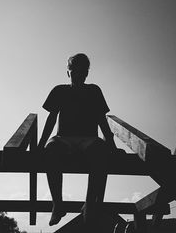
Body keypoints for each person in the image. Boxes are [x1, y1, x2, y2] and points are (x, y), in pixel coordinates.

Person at [38, 53, 118, 226]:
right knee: (50, 151)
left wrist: (111, 146)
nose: (78, 75)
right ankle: (57, 204)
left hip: (89, 140)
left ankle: (89, 204)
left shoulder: (94, 90)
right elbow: (51, 118)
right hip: (63, 139)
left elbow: (101, 119)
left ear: (87, 73)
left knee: (100, 151)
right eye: (74, 71)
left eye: (82, 71)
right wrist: (41, 144)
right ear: (69, 72)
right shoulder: (60, 90)